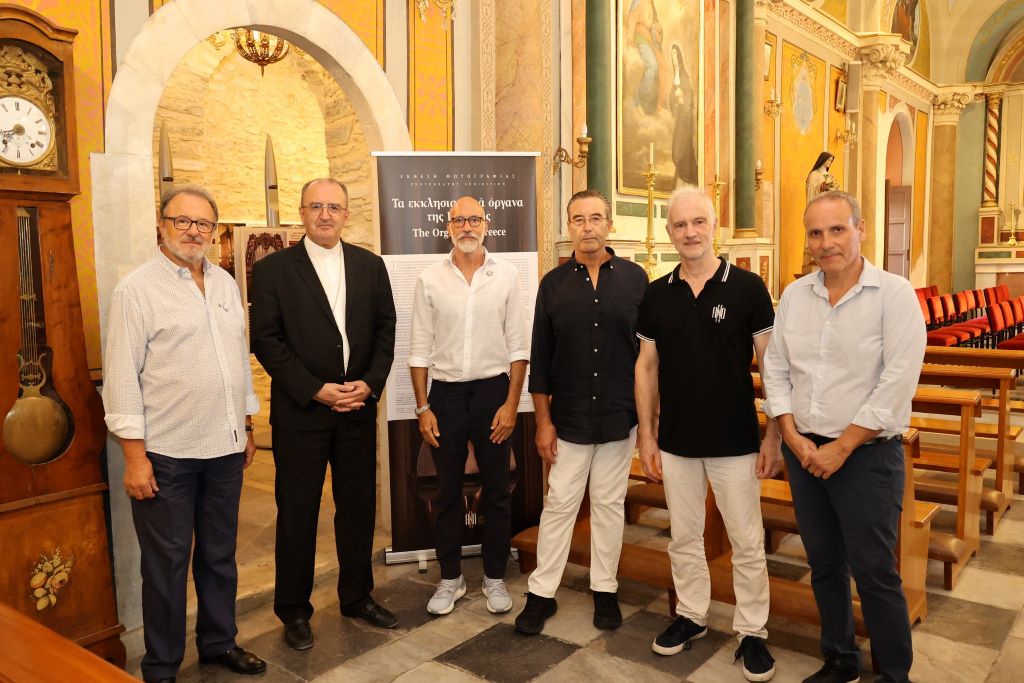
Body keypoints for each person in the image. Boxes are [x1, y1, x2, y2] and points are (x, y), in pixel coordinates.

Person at [102, 185, 266, 682]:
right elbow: (121, 379)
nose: (194, 231)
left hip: (224, 449)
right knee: (167, 565)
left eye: (203, 223)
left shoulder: (224, 284)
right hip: (166, 455)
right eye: (183, 221)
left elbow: (237, 360)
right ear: (162, 224)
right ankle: (161, 666)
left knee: (219, 556)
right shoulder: (136, 290)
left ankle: (218, 642)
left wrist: (246, 424)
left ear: (214, 231)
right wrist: (135, 458)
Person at [762, 191, 925, 683]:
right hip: (806, 453)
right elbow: (776, 369)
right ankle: (840, 659)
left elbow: (896, 382)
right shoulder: (795, 296)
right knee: (825, 564)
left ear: (861, 229)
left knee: (875, 572)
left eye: (837, 229)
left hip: (867, 457)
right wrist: (790, 435)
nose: (826, 242)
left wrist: (843, 445)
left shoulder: (894, 295)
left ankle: (894, 673)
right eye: (816, 233)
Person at [635, 186, 780, 682]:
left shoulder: (747, 288)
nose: (690, 232)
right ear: (670, 232)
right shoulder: (657, 293)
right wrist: (646, 436)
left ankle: (753, 630)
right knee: (683, 536)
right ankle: (692, 614)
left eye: (698, 222)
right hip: (677, 440)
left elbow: (771, 365)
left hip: (736, 439)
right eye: (680, 225)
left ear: (714, 226)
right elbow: (646, 367)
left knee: (746, 539)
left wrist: (774, 435)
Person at [249, 177, 397, 650]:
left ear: (346, 214)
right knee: (298, 512)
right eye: (316, 206)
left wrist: (369, 383)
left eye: (334, 207)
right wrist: (315, 390)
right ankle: (294, 610)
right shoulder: (272, 270)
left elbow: (386, 330)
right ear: (302, 213)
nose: (325, 214)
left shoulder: (370, 266)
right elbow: (266, 340)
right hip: (301, 414)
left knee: (357, 508)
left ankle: (357, 596)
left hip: (356, 408)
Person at [513, 190, 648, 635]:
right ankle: (541, 593)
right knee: (559, 505)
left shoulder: (635, 280)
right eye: (578, 219)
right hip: (568, 419)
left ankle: (605, 589)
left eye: (595, 218)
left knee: (609, 505)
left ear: (609, 224)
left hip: (618, 417)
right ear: (568, 226)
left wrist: (649, 422)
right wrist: (543, 422)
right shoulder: (552, 285)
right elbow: (540, 359)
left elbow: (648, 358)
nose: (587, 227)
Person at [409, 196, 529, 616]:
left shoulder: (507, 275)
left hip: (494, 392)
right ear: (448, 226)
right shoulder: (429, 278)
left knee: (497, 490)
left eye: (474, 219)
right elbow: (419, 348)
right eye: (458, 219)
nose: (466, 226)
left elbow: (519, 346)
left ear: (486, 224)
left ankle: (494, 577)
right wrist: (423, 407)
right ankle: (450, 578)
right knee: (445, 492)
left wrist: (512, 404)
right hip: (445, 395)